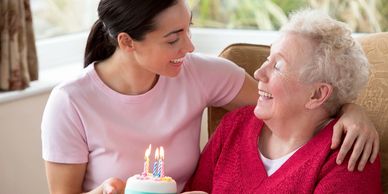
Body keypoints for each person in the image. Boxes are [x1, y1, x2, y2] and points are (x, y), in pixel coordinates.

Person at [40, 0, 379, 193]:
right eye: (173, 39)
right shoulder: (70, 102)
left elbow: (301, 105)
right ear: (127, 42)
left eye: (189, 28)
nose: (189, 47)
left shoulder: (203, 73)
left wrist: (351, 111)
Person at [184, 9, 382, 193]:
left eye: (278, 66)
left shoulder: (350, 155)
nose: (258, 73)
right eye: (267, 59)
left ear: (317, 95)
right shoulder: (233, 127)